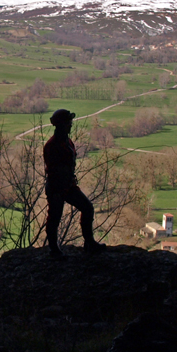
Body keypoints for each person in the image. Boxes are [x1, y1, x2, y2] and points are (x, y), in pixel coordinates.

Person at [43, 108, 104, 258]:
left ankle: (89, 243)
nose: (71, 125)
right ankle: (53, 249)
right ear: (62, 124)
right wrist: (61, 186)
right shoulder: (52, 145)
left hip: (67, 185)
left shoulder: (66, 141)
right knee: (55, 217)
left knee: (87, 208)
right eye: (69, 122)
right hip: (57, 187)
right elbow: (54, 170)